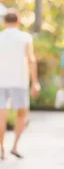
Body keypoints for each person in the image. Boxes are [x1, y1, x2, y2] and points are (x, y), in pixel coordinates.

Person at [0, 10, 39, 160]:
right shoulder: (25, 37)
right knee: (21, 114)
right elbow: (31, 59)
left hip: (0, 81)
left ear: (4, 23)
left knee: (1, 115)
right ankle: (15, 145)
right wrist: (35, 82)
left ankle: (1, 147)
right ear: (19, 22)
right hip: (19, 82)